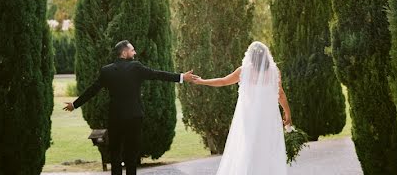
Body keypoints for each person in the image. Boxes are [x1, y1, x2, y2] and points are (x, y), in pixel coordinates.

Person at [64, 40, 199, 175]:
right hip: (134, 117)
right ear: (124, 52)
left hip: (115, 117)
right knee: (131, 155)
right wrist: (181, 77)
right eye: (132, 50)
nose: (134, 52)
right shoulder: (136, 67)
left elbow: (92, 90)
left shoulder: (106, 71)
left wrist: (75, 104)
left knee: (115, 154)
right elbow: (157, 74)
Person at [194, 41, 292, 174]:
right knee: (269, 149)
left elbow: (223, 81)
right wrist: (288, 114)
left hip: (249, 118)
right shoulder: (275, 72)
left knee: (250, 150)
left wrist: (202, 81)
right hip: (269, 118)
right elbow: (280, 94)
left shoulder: (244, 71)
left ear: (250, 56)